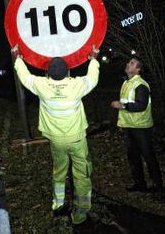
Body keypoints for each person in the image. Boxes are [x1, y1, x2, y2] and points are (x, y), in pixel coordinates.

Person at [11, 44, 100, 227]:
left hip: (56, 141)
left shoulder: (42, 86)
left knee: (59, 173)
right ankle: (80, 214)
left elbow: (25, 77)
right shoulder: (76, 85)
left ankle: (58, 204)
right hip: (77, 139)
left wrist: (17, 59)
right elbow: (92, 79)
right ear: (68, 73)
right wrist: (93, 59)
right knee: (81, 175)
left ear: (49, 74)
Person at [110, 58, 163, 192]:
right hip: (129, 126)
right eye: (129, 62)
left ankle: (157, 184)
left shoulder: (141, 85)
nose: (128, 64)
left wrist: (121, 105)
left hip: (141, 127)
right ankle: (139, 183)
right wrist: (122, 123)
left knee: (148, 155)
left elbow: (141, 105)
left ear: (138, 69)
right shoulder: (126, 83)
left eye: (132, 63)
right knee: (133, 156)